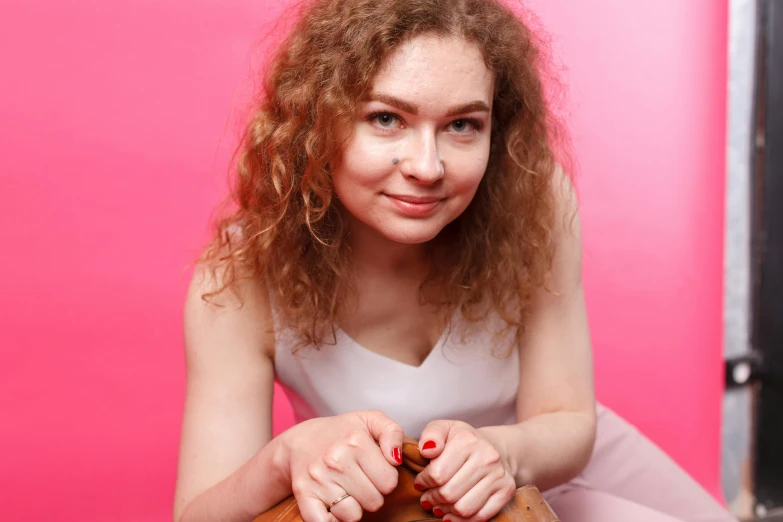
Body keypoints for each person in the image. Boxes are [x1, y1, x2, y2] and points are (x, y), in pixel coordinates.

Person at [172, 1, 738, 521]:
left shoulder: (534, 203)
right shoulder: (241, 276)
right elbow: (196, 515)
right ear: (319, 121)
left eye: (462, 125)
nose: (427, 166)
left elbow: (568, 418)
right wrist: (283, 459)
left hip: (543, 465)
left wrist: (501, 452)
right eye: (386, 118)